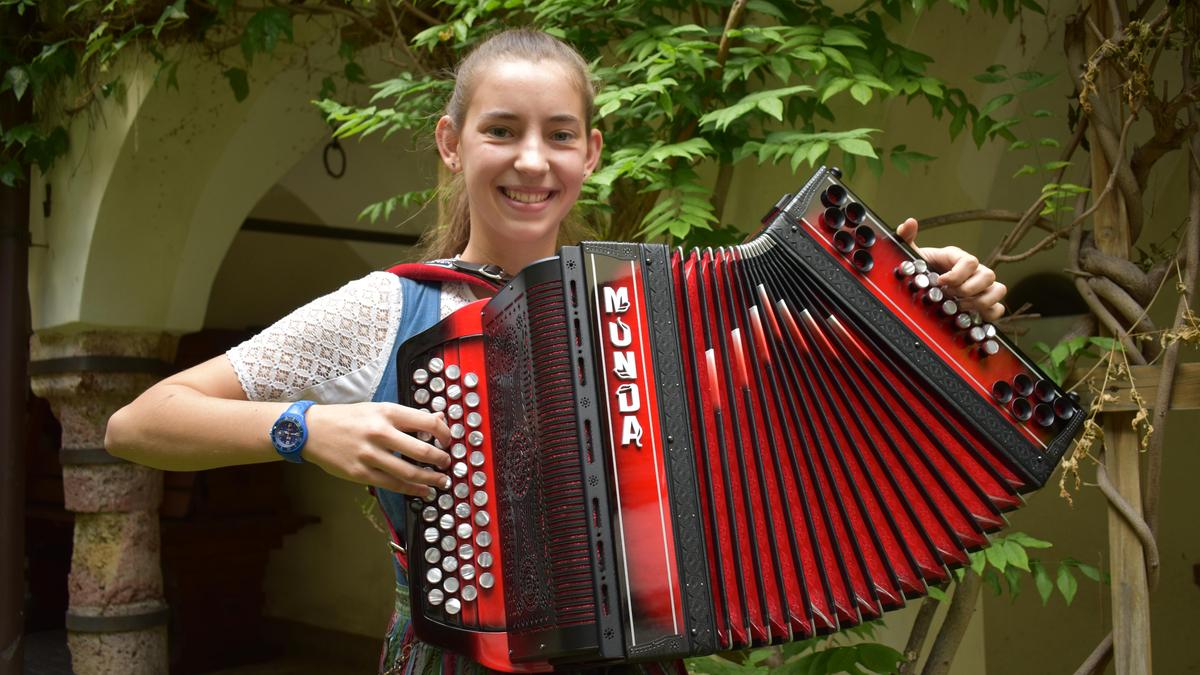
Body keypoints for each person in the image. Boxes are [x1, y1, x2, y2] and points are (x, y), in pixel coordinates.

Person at [105, 28, 1008, 674]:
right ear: (453, 146)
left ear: (590, 154)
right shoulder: (388, 307)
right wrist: (307, 428)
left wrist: (934, 304)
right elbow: (139, 422)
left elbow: (816, 409)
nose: (531, 160)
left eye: (559, 134)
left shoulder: (651, 310)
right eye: (501, 130)